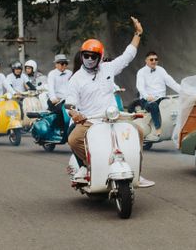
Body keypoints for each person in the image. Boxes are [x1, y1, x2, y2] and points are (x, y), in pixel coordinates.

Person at [66, 17, 154, 188]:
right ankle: (87, 165)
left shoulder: (108, 68)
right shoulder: (76, 79)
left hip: (112, 116)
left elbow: (128, 56)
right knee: (73, 139)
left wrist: (138, 34)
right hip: (90, 120)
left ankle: (137, 172)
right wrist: (75, 113)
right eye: (86, 55)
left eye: (93, 56)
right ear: (81, 56)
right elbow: (69, 103)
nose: (90, 59)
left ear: (100, 57)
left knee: (139, 132)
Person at [135, 51, 181, 137]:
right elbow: (140, 87)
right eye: (151, 59)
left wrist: (183, 91)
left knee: (175, 104)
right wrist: (147, 96)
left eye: (156, 59)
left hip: (161, 98)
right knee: (153, 105)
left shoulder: (161, 70)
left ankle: (176, 128)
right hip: (147, 100)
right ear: (146, 60)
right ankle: (158, 128)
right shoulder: (141, 72)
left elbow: (172, 83)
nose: (154, 61)